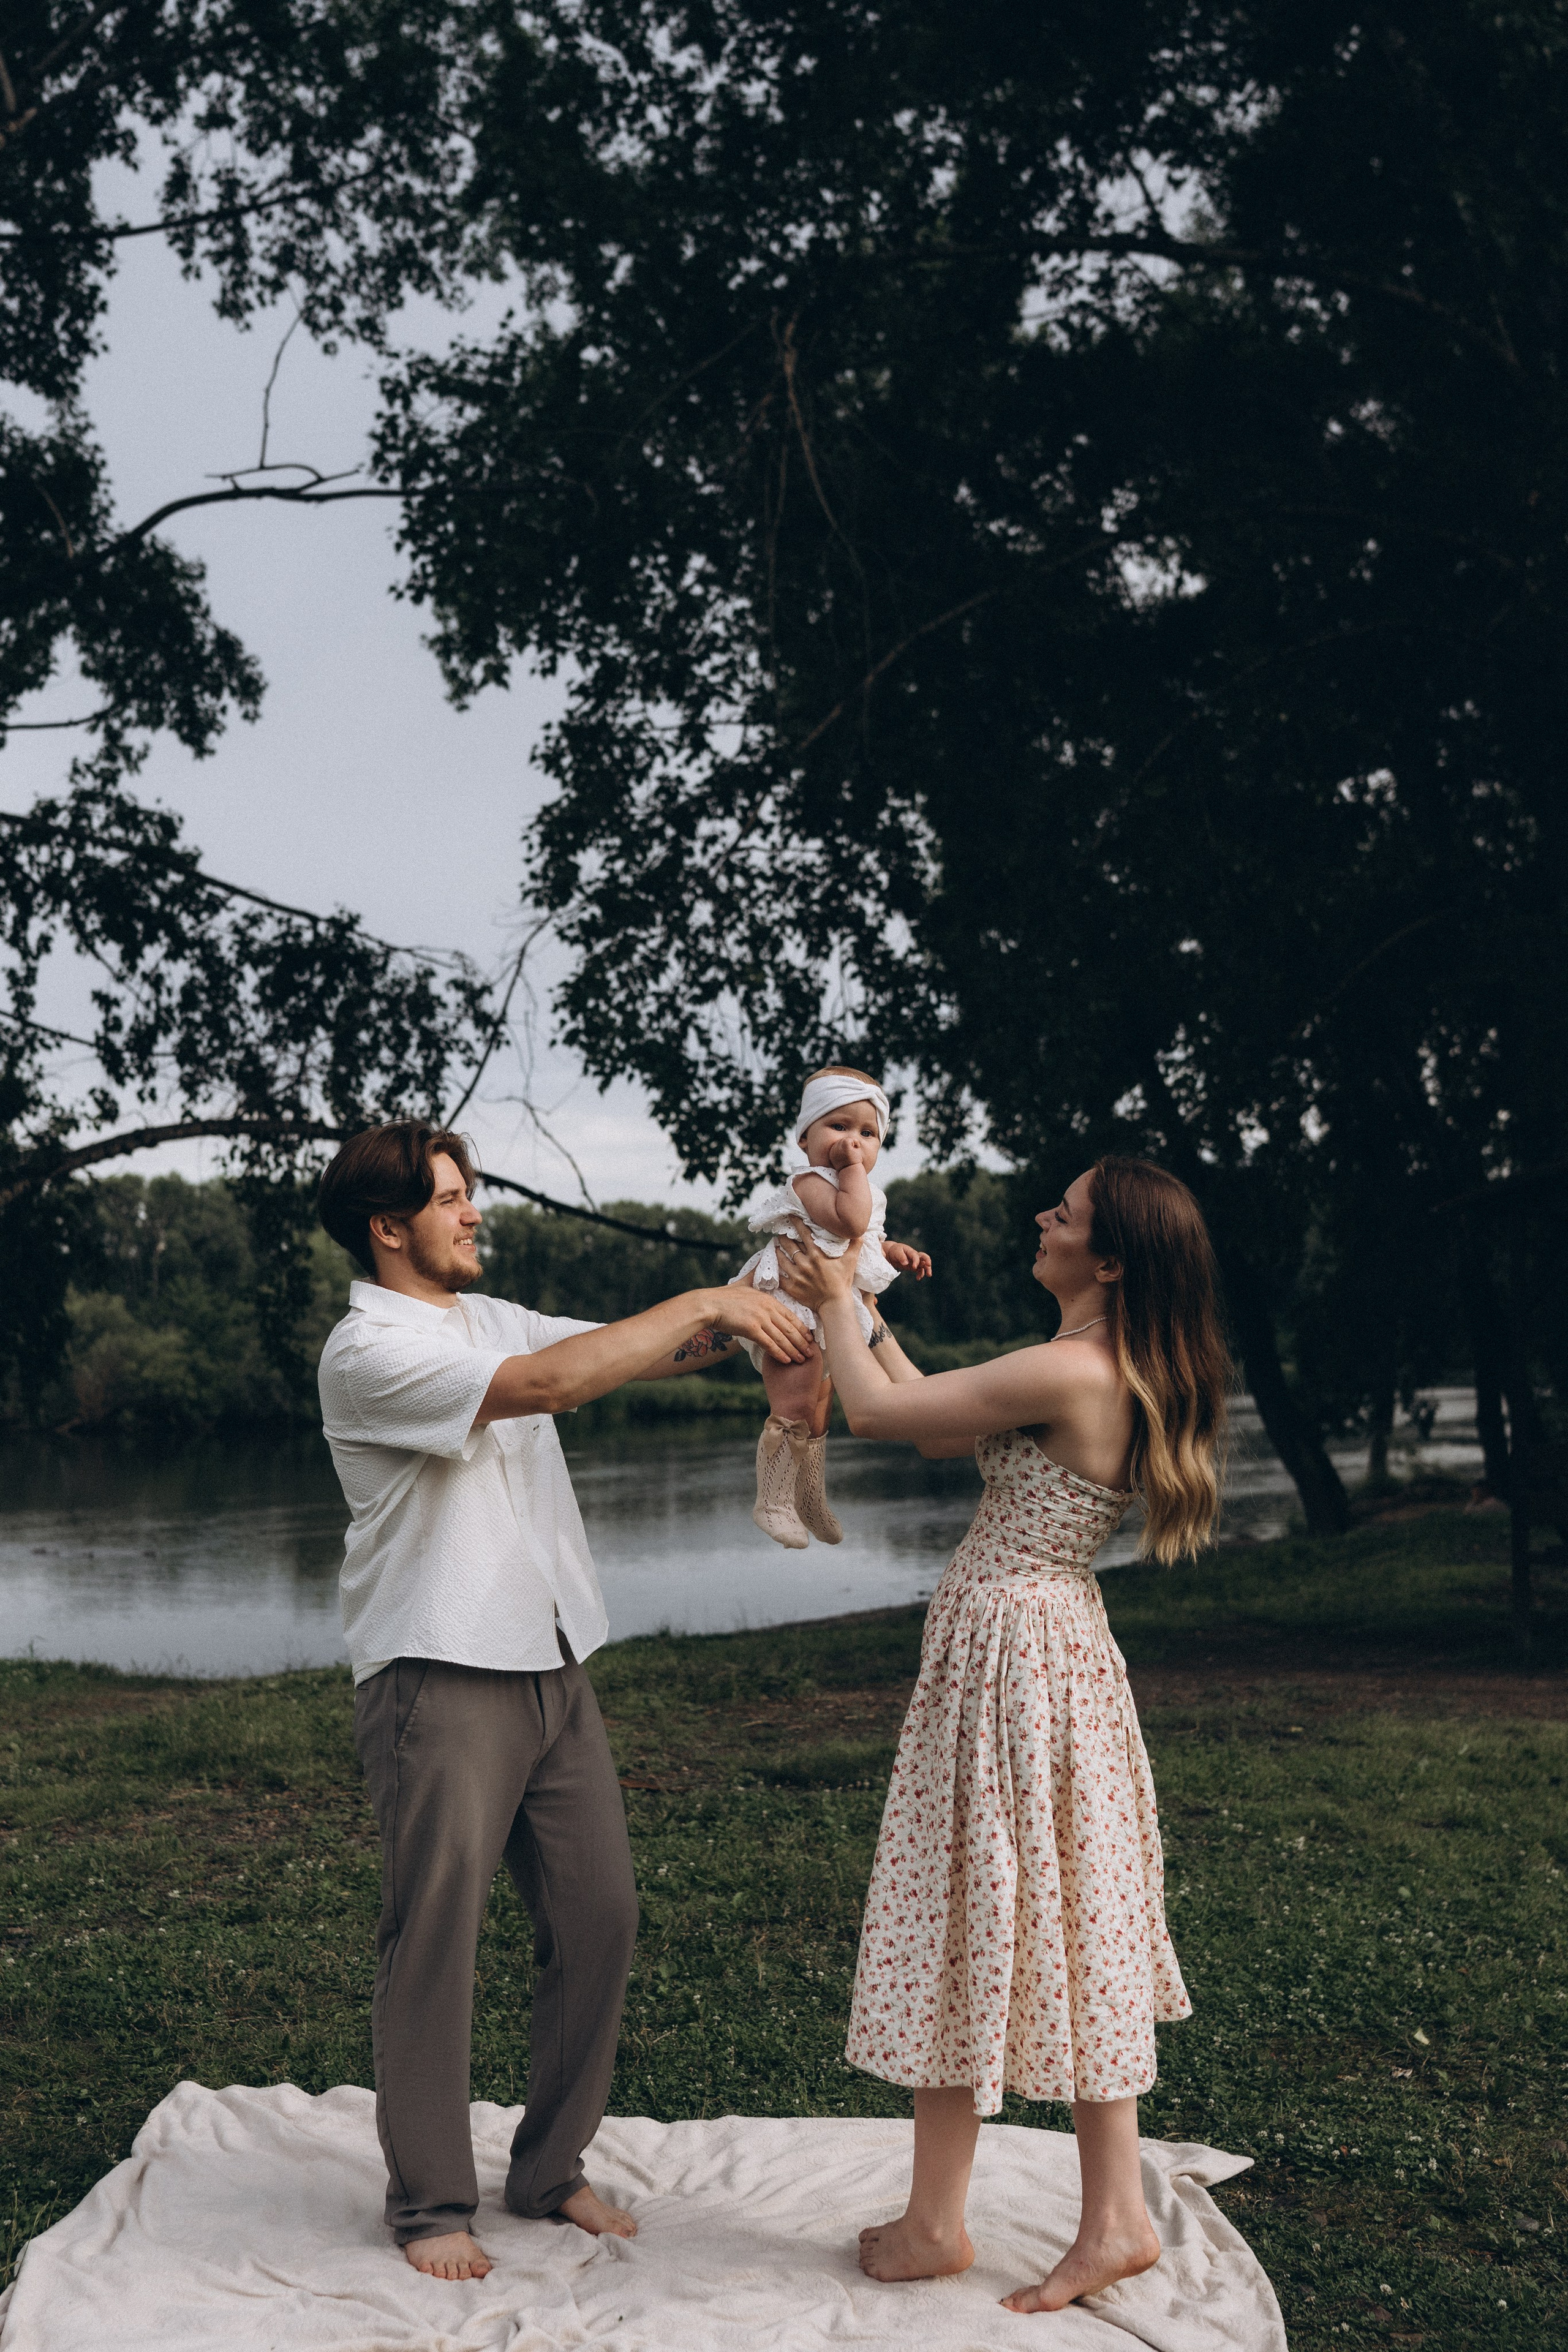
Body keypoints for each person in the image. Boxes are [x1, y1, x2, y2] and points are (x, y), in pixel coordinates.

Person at [314, 1120, 812, 2284]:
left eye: (470, 1189)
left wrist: (774, 1285)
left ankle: (548, 2168)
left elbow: (634, 1353)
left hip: (551, 1665)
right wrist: (710, 1299)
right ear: (389, 1228)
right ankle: (431, 2200)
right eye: (450, 1198)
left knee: (601, 1918)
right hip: (438, 1674)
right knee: (434, 1939)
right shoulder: (365, 1349)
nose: (474, 1209)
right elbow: (549, 1384)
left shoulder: (487, 1316)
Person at [777, 1156, 1230, 2315]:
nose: (1043, 1217)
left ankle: (1042, 2220)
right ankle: (979, 2217)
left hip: (1016, 1662)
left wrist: (829, 1292)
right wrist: (864, 1308)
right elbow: (935, 1424)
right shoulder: (1094, 1367)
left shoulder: (1073, 1368)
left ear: (1110, 1257)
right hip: (1048, 1648)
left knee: (972, 1905)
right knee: (1055, 1917)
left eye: (1064, 1214)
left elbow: (878, 1415)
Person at [730, 1067, 931, 1547]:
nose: (853, 1143)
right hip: (790, 1313)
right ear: (805, 1138)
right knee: (793, 1405)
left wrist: (895, 1251)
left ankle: (810, 1498)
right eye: (838, 1127)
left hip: (827, 1317)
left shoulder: (859, 1189)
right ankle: (773, 1499)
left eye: (867, 1134)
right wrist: (852, 1171)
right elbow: (851, 1222)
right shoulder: (812, 1183)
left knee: (819, 1412)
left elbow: (867, 1237)